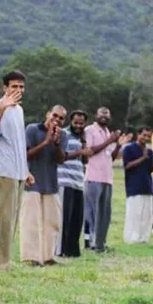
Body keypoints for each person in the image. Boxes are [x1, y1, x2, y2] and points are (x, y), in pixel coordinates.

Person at [0, 70, 32, 270]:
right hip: (4, 171)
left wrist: (27, 171)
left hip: (19, 172)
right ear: (5, 88)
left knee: (12, 219)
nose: (18, 90)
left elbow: (19, 145)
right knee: (2, 220)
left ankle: (6, 260)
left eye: (21, 87)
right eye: (14, 86)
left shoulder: (19, 110)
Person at [21, 106, 68, 266]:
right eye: (55, 115)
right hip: (33, 181)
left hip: (51, 183)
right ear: (48, 114)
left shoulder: (63, 135)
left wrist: (55, 143)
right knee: (32, 221)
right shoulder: (33, 129)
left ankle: (48, 257)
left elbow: (61, 160)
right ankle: (32, 257)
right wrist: (46, 141)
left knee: (52, 222)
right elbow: (25, 154)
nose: (57, 119)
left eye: (61, 118)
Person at [83, 107, 133, 253]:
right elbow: (90, 152)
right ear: (95, 116)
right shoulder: (90, 130)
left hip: (107, 179)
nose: (104, 117)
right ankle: (91, 244)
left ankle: (101, 244)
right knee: (93, 213)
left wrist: (118, 145)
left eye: (107, 115)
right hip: (93, 177)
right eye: (101, 115)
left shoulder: (106, 132)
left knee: (105, 215)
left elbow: (109, 157)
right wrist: (110, 140)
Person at [57, 110, 90, 257]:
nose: (78, 125)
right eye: (75, 122)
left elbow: (85, 161)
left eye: (81, 123)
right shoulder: (64, 134)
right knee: (64, 219)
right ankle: (61, 250)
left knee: (77, 219)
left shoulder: (82, 137)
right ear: (70, 121)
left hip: (78, 182)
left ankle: (72, 251)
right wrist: (80, 152)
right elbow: (61, 156)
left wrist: (83, 144)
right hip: (64, 181)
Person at [123, 127, 153, 244]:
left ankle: (144, 238)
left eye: (148, 136)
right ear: (138, 134)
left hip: (147, 186)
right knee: (134, 214)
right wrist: (142, 158)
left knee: (146, 215)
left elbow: (151, 169)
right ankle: (132, 238)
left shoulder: (149, 151)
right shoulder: (129, 149)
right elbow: (127, 166)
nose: (146, 138)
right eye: (144, 135)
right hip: (134, 186)